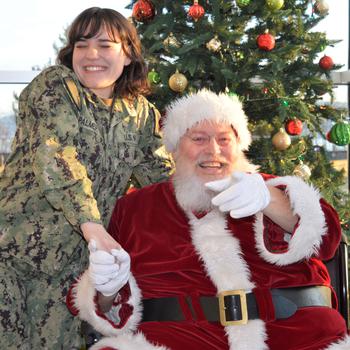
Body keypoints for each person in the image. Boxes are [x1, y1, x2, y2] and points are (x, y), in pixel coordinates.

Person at [67, 90, 350, 350]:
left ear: (239, 146)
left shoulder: (271, 189)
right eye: (199, 138)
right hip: (179, 338)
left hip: (296, 334)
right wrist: (107, 290)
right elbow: (106, 304)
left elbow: (328, 240)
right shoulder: (135, 208)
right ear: (175, 149)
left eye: (224, 139)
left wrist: (270, 199)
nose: (213, 150)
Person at [0, 7, 172, 350]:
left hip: (70, 277)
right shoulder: (55, 88)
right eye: (82, 44)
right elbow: (56, 153)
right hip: (10, 257)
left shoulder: (139, 114)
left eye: (105, 45)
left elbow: (164, 180)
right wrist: (92, 225)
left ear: (127, 55)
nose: (91, 54)